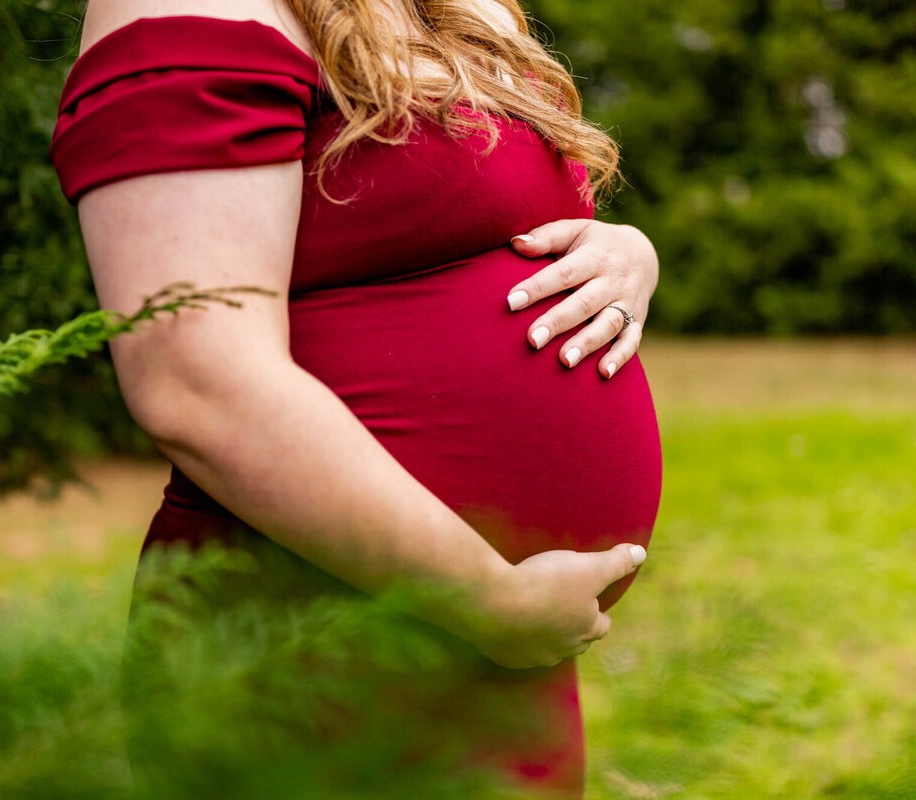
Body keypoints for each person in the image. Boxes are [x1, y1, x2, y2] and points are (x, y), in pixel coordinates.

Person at [49, 0, 662, 797]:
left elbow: (493, 215)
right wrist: (485, 598)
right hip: (316, 636)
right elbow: (195, 378)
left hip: (505, 653)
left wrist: (624, 252)